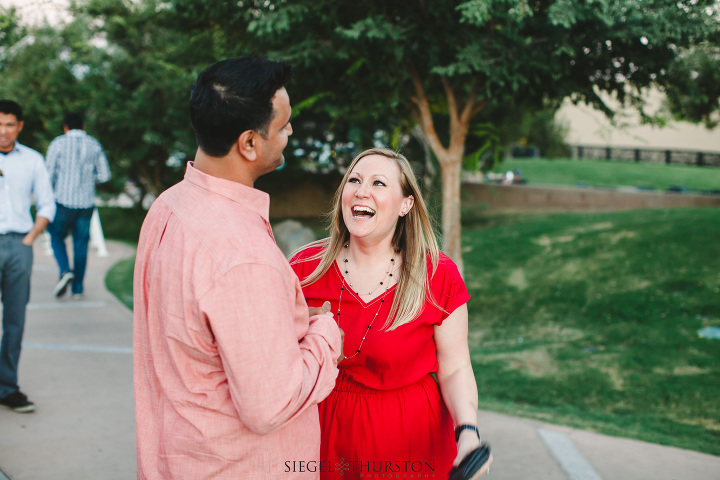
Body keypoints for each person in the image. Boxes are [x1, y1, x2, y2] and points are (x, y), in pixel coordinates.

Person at [133, 56, 342, 479]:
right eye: (283, 126)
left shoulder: (168, 205)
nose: (290, 133)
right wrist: (325, 335)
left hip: (178, 455)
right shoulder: (242, 255)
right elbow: (269, 405)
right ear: (249, 143)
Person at [290, 148, 492, 479]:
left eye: (378, 183)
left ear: (405, 205)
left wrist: (467, 431)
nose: (361, 190)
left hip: (411, 446)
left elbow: (455, 367)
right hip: (322, 441)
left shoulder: (436, 275)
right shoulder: (303, 269)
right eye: (353, 180)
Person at [0, 99, 56, 413]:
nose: (3, 131)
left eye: (9, 124)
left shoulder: (33, 160)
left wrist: (30, 238)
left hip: (19, 246)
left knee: (15, 321)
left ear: (19, 126)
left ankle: (7, 387)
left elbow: (47, 203)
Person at [46, 112, 111, 299]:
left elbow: (48, 175)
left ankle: (65, 270)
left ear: (65, 127)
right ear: (83, 127)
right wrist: (90, 179)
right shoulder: (94, 144)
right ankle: (78, 289)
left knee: (56, 236)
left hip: (62, 202)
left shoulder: (57, 143)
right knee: (81, 245)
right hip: (86, 204)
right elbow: (105, 175)